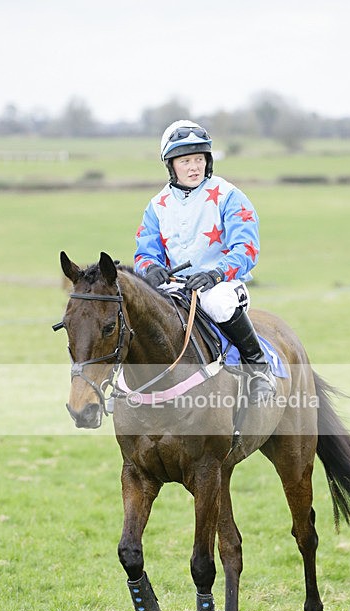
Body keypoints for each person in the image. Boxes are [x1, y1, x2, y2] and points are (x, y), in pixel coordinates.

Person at [133, 119, 276, 404]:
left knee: (218, 304)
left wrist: (216, 274)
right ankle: (128, 386)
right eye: (185, 161)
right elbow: (144, 253)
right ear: (171, 165)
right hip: (175, 288)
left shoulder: (230, 196)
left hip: (221, 286)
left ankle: (259, 368)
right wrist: (150, 270)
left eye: (199, 159)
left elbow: (246, 248)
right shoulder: (157, 205)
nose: (194, 167)